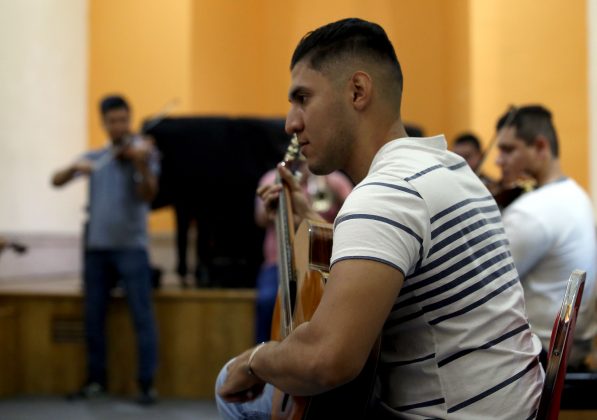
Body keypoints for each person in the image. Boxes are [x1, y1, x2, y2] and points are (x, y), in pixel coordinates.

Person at [215, 18, 543, 419]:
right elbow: (395, 258)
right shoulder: (447, 166)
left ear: (357, 91)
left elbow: (326, 360)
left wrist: (255, 360)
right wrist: (309, 219)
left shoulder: (384, 195)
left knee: (226, 387)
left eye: (303, 98)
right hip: (506, 406)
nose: (291, 123)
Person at [52, 94, 159, 404]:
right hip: (96, 249)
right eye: (113, 121)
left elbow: (149, 194)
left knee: (142, 315)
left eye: (124, 120)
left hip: (132, 248)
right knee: (93, 316)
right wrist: (74, 169)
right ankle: (95, 380)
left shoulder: (143, 154)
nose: (119, 126)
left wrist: (141, 163)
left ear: (130, 119)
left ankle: (146, 383)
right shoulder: (96, 157)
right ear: (104, 124)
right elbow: (56, 180)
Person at [495, 105, 597, 369]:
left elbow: (485, 287)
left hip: (537, 358)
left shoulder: (532, 211)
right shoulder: (577, 194)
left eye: (508, 150)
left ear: (540, 147)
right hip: (570, 351)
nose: (498, 161)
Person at [254, 162, 352, 343]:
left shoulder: (335, 180)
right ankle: (262, 348)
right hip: (279, 261)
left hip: (321, 263)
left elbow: (352, 217)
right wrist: (280, 203)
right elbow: (260, 218)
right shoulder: (273, 178)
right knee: (268, 300)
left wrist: (334, 192)